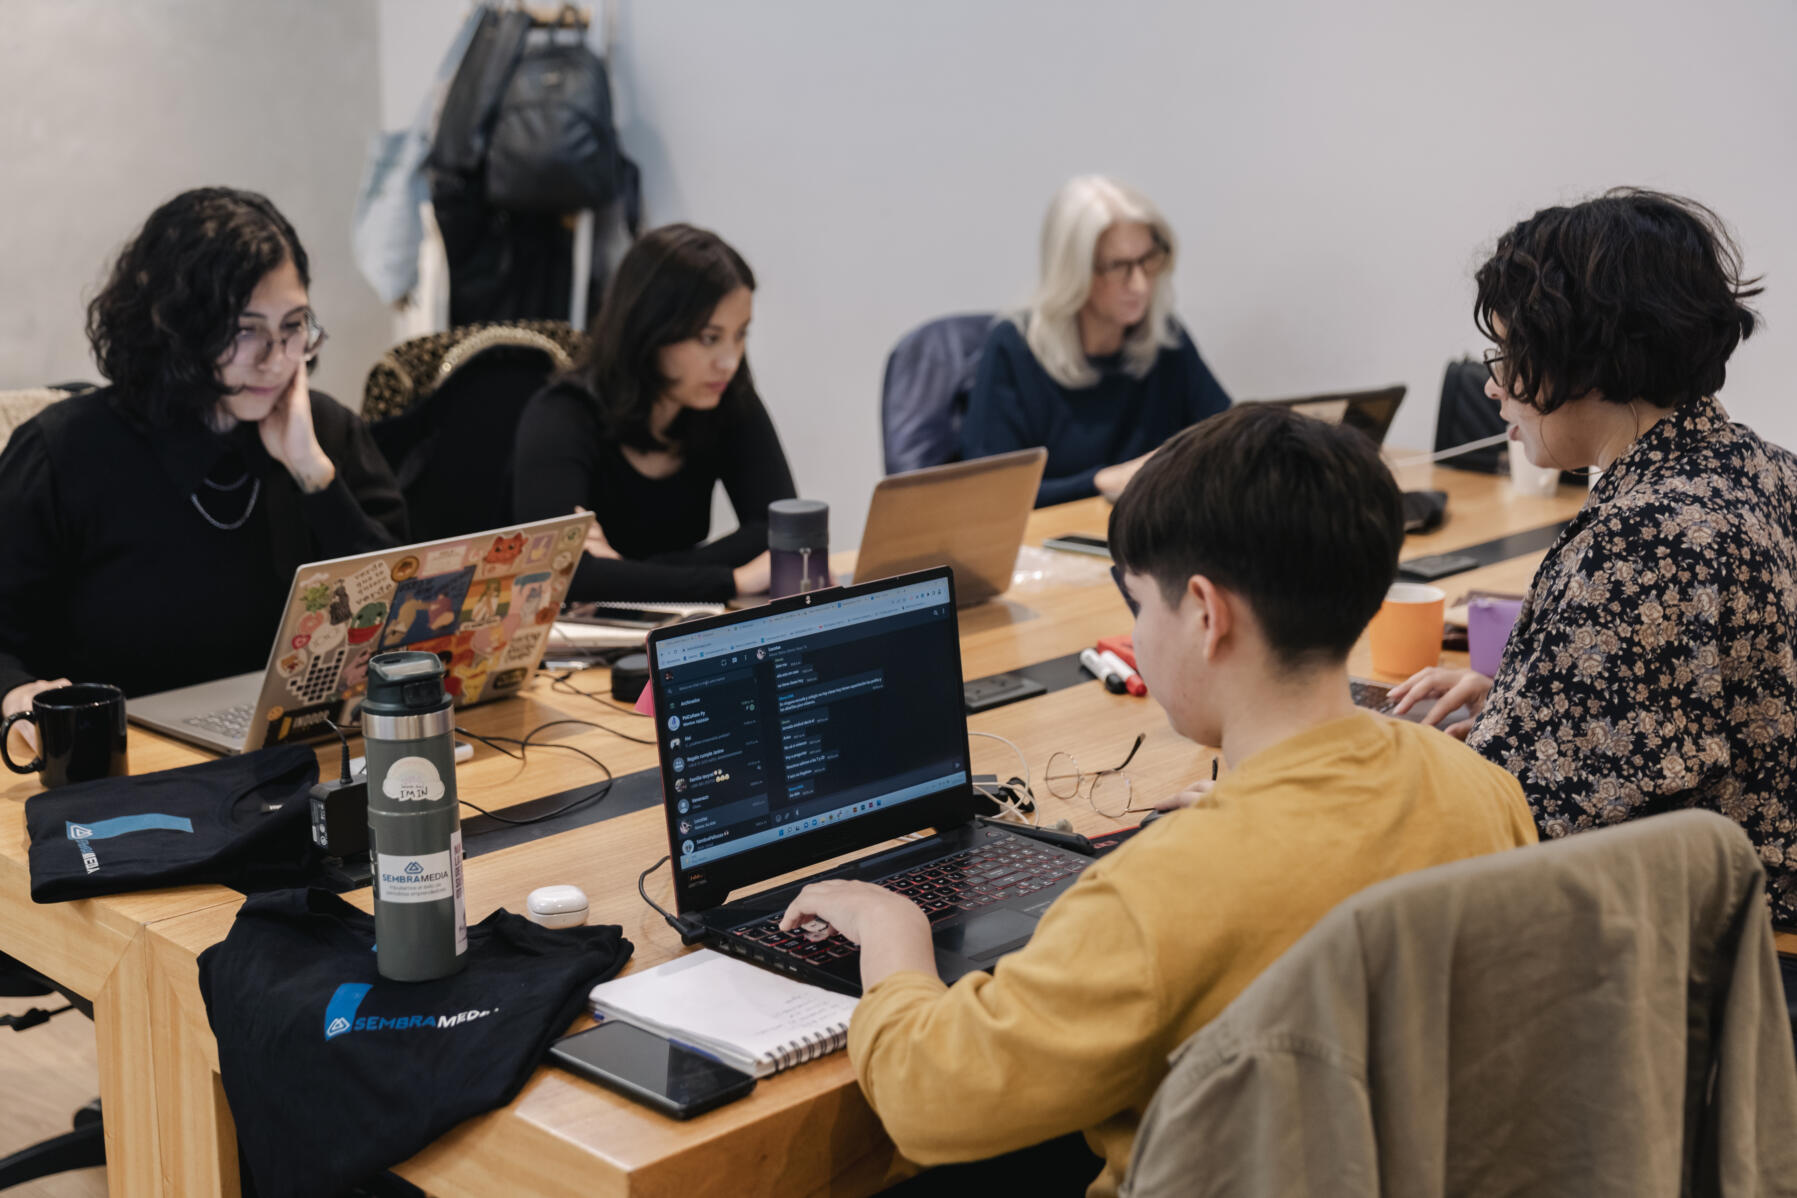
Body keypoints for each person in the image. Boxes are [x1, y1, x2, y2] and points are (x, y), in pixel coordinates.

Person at [779, 405, 1537, 1197]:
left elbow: (930, 1104)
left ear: (1207, 614)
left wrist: (891, 931)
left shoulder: (1165, 888)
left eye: (1139, 604)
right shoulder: (1480, 789)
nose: (1135, 635)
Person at [1388, 189, 1797, 925]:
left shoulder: (1650, 539)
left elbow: (1519, 829)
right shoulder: (1761, 468)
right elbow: (1687, 714)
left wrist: (1300, 795)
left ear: (1586, 361)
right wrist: (1529, 700)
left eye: (1510, 355)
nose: (1493, 386)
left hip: (1715, 949)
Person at [0, 188, 405, 735]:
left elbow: (402, 619)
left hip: (313, 750)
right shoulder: (64, 453)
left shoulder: (324, 434)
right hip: (128, 767)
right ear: (174, 328)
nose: (279, 360)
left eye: (294, 327)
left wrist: (315, 476)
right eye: (247, 331)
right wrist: (16, 693)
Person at [512, 224, 797, 602]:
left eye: (741, 334)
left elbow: (784, 529)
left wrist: (622, 574)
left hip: (669, 630)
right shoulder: (562, 416)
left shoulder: (726, 397)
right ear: (649, 331)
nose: (729, 361)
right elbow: (559, 576)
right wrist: (732, 581)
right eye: (709, 339)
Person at [960, 176, 1230, 507]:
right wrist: (1103, 481)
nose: (1140, 284)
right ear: (1073, 271)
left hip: (1150, 542)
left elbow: (1226, 442)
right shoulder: (1014, 349)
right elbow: (993, 494)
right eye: (1118, 267)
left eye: (1148, 260)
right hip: (1050, 547)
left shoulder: (1164, 337)